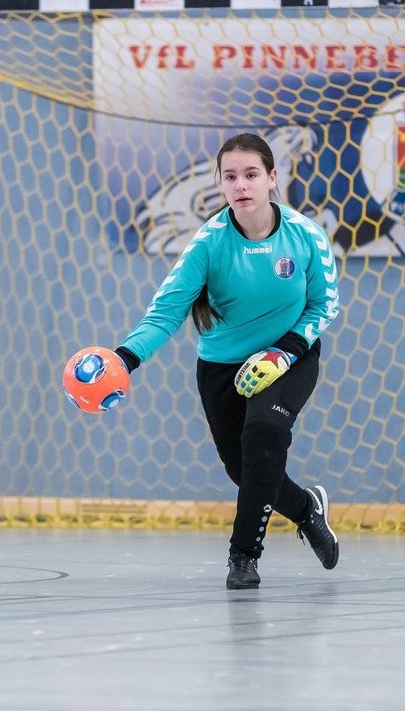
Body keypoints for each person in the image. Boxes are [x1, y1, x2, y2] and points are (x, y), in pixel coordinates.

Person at [112, 132, 341, 590]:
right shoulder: (207, 245)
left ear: (272, 179)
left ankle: (243, 556)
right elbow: (166, 312)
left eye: (252, 174)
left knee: (265, 433)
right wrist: (123, 359)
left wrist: (285, 352)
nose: (242, 184)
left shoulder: (305, 236)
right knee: (245, 469)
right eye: (231, 176)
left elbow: (325, 305)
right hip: (221, 366)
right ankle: (305, 509)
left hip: (288, 356)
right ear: (221, 184)